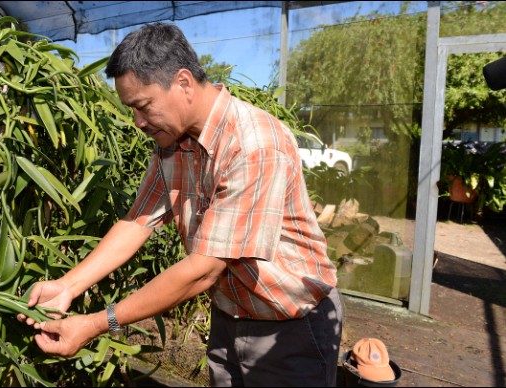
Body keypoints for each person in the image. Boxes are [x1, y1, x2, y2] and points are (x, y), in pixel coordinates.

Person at [18, 22, 343, 387]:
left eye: (143, 106)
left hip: (290, 327)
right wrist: (68, 285)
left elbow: (203, 270)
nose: (138, 122)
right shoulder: (172, 142)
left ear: (184, 83)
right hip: (230, 315)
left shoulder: (253, 144)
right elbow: (138, 221)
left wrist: (95, 324)